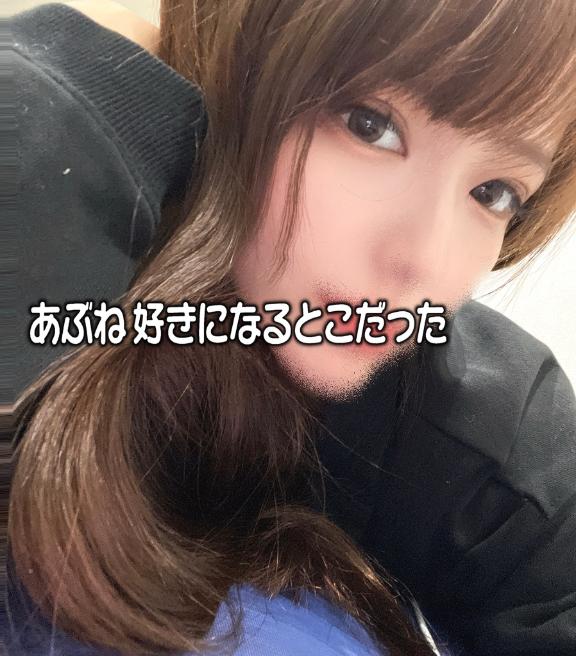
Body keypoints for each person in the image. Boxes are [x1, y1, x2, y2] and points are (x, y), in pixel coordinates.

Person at [5, 1, 576, 655]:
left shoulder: (491, 435)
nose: (424, 260)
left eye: (494, 193)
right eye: (370, 126)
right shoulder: (54, 180)